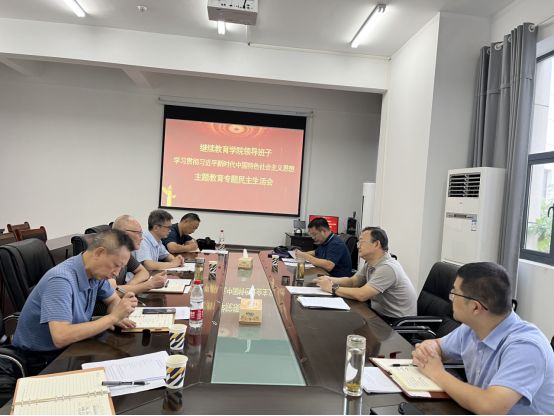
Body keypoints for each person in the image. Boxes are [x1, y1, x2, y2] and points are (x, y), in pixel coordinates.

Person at [412, 263, 554, 415]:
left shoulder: (526, 347)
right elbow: (438, 346)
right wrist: (427, 351)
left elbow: (490, 407)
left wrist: (437, 373)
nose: (451, 299)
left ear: (475, 307)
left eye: (455, 293)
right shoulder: (472, 328)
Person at [12, 230, 139, 362]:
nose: (117, 274)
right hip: (41, 359)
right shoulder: (61, 280)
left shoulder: (96, 274)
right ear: (99, 253)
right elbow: (61, 337)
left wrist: (116, 313)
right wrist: (113, 318)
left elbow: (113, 300)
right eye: (116, 265)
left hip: (73, 348)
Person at [315, 227, 417, 321]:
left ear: (376, 244)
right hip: (377, 314)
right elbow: (352, 282)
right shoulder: (370, 263)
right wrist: (330, 279)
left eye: (362, 242)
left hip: (395, 322)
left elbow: (362, 295)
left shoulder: (388, 268)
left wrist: (332, 288)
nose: (358, 246)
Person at [111, 215, 168, 292]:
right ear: (125, 234)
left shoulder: (126, 253)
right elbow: (111, 292)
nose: (142, 238)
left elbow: (143, 272)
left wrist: (129, 285)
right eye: (139, 233)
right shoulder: (109, 255)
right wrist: (150, 284)